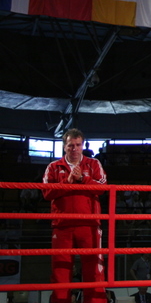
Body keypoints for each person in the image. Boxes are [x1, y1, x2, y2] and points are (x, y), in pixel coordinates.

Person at [42, 128, 107, 303]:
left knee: (93, 270)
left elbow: (103, 187)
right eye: (71, 145)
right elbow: (46, 193)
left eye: (78, 145)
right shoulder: (53, 167)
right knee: (60, 271)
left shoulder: (93, 164)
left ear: (82, 145)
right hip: (62, 225)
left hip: (89, 225)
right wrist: (68, 181)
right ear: (64, 146)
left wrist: (82, 179)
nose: (74, 148)